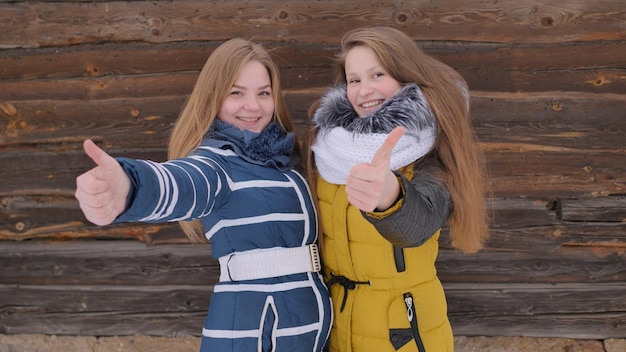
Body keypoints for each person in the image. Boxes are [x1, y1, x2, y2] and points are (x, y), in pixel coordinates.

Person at [75, 38, 332, 352]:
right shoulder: (217, 165)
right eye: (236, 93)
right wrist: (130, 187)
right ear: (214, 97)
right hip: (253, 332)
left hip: (304, 330)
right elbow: (182, 182)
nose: (253, 106)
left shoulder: (281, 161)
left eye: (263, 93)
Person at [306, 27, 489, 352]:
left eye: (378, 74)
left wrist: (390, 196)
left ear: (406, 77)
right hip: (336, 324)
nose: (364, 90)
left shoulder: (428, 150)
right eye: (354, 79)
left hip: (403, 333)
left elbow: (418, 221)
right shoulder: (327, 146)